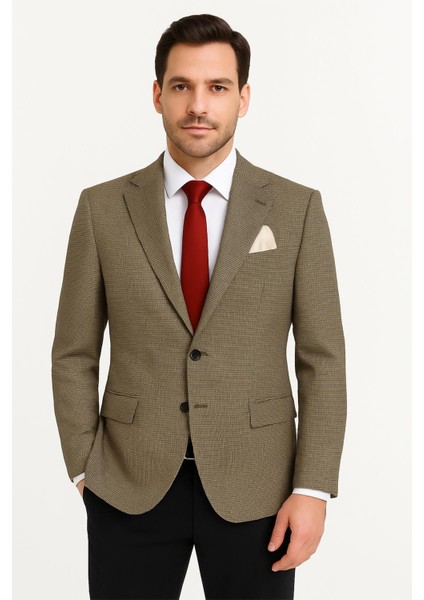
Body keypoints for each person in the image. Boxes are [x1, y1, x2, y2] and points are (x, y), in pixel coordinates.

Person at [51, 13, 347, 600]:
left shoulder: (296, 209)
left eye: (218, 87)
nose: (198, 105)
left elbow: (323, 357)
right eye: (182, 85)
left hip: (258, 486)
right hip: (128, 481)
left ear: (244, 98)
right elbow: (73, 352)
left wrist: (312, 488)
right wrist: (85, 467)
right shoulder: (102, 209)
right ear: (157, 95)